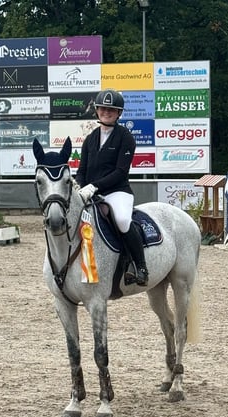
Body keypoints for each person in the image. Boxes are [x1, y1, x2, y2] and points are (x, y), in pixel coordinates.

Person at [75, 88, 147, 286]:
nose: (107, 112)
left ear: (118, 113)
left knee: (123, 220)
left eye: (112, 109)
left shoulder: (125, 137)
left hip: (117, 192)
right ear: (97, 110)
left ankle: (140, 266)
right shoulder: (90, 139)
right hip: (90, 192)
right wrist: (80, 186)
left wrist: (94, 186)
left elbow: (120, 173)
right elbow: (81, 170)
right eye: (103, 108)